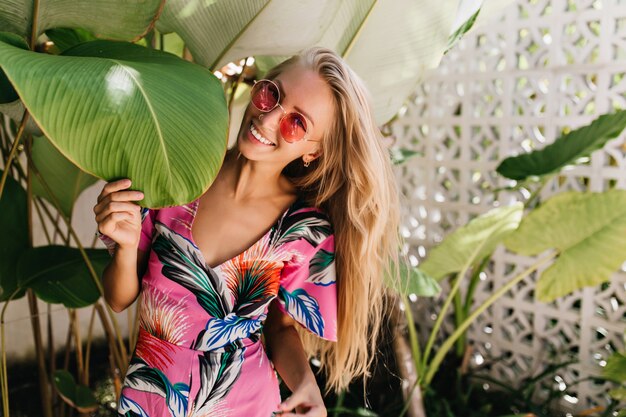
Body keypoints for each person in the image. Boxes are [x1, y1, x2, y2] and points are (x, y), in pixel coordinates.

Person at [93, 46, 401, 417]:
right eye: (272, 93)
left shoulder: (303, 231)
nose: (268, 119)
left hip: (246, 403)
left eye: (297, 122)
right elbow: (118, 298)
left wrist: (306, 386)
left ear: (313, 153)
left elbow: (280, 328)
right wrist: (126, 245)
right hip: (149, 398)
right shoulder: (176, 176)